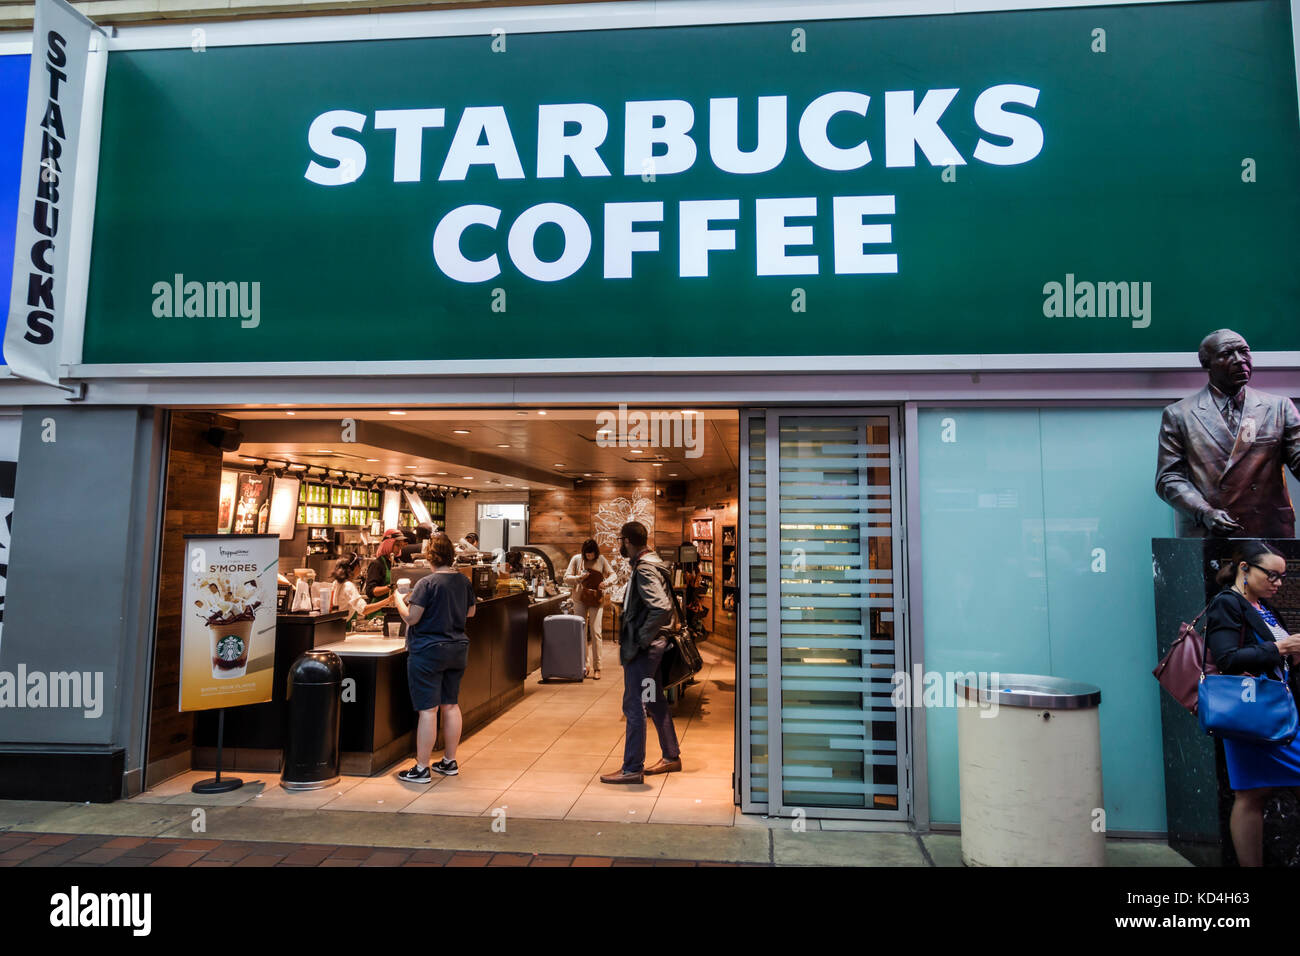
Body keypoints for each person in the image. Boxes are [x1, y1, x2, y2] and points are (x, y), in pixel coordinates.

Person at [1204, 541, 1300, 866]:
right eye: (1272, 575)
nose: (1278, 583)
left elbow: (1273, 658)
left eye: (1282, 577)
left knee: (1252, 796)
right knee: (1249, 796)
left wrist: (1291, 654)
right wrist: (1283, 648)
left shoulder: (1261, 606)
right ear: (1244, 567)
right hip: (1251, 716)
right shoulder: (1228, 604)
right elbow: (1227, 658)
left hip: (1273, 712)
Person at [1156, 329, 1300, 538]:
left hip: (1267, 533)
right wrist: (1204, 512)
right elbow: (1169, 478)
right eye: (1227, 354)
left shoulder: (1279, 407)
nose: (1240, 360)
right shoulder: (1180, 414)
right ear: (1207, 364)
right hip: (1209, 532)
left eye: (1244, 352)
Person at [600, 521, 682, 784]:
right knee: (655, 699)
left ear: (627, 541)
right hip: (657, 647)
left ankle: (632, 767)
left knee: (634, 703)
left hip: (647, 650)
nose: (618, 545)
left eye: (620, 540)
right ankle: (671, 756)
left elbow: (660, 607)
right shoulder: (653, 563)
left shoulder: (645, 569)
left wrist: (640, 640)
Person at [393, 532, 477, 783]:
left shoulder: (426, 584)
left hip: (429, 650)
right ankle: (449, 761)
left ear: (430, 557)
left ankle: (421, 768)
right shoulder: (463, 582)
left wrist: (399, 600)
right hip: (457, 648)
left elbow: (411, 618)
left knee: (428, 711)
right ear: (451, 557)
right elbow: (470, 612)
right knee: (450, 705)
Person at [564, 538, 616, 680]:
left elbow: (613, 575)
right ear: (583, 553)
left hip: (596, 599)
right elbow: (566, 578)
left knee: (595, 631)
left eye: (592, 554)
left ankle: (597, 667)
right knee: (580, 631)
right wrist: (579, 578)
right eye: (587, 554)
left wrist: (606, 583)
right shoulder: (576, 560)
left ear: (596, 552)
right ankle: (584, 665)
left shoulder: (601, 560)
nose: (590, 557)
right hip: (579, 599)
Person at [329, 552, 392, 626]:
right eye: (359, 565)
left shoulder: (336, 583)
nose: (360, 568)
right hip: (345, 628)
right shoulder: (348, 586)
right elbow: (364, 610)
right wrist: (389, 600)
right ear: (355, 567)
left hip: (336, 626)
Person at [364, 529, 405, 599]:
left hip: (396, 605)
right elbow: (370, 591)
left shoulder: (399, 563)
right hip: (380, 607)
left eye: (401, 545)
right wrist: (390, 587)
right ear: (388, 544)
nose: (399, 548)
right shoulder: (377, 564)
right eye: (397, 545)